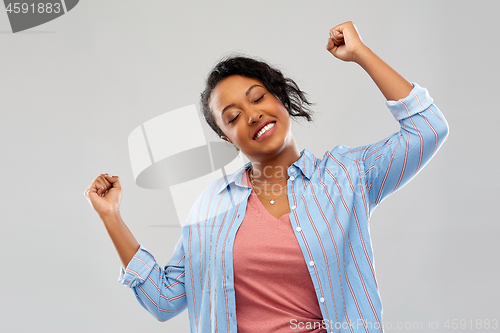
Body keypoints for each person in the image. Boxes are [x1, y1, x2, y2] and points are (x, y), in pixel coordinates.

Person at [84, 22, 449, 333]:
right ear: (228, 138)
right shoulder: (212, 205)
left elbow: (427, 129)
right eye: (233, 116)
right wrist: (111, 217)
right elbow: (164, 300)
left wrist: (361, 53)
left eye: (258, 97)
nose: (253, 115)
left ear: (281, 99)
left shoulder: (346, 177)